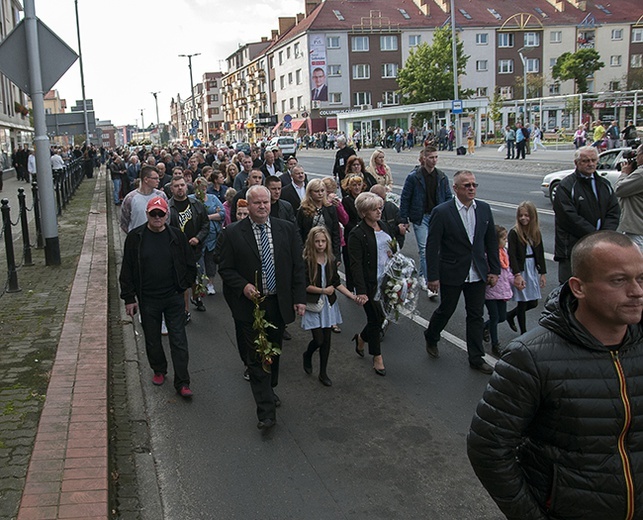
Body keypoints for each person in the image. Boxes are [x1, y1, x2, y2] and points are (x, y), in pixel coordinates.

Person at [467, 231, 643, 520]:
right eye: (618, 280)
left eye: (641, 278)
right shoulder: (530, 357)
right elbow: (488, 448)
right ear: (578, 287)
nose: (636, 291)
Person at [217, 185, 306, 431]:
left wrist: (299, 298)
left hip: (278, 302)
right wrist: (243, 286)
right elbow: (225, 269)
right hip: (250, 306)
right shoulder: (233, 233)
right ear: (247, 204)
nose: (263, 207)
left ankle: (270, 387)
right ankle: (266, 411)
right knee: (257, 357)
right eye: (257, 203)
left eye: (266, 202)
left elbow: (298, 266)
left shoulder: (286, 229)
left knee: (274, 351)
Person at [424, 171, 500, 374]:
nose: (471, 188)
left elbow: (491, 241)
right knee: (446, 309)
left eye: (474, 185)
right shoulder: (442, 212)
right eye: (466, 185)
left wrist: (494, 269)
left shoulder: (483, 209)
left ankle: (476, 358)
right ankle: (431, 335)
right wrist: (432, 276)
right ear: (455, 188)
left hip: (477, 272)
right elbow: (432, 246)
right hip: (452, 271)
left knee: (475, 315)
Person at [119, 196, 196, 397]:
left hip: (173, 296)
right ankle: (159, 369)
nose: (156, 217)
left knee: (179, 339)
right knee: (152, 339)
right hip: (148, 299)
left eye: (160, 214)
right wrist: (129, 298)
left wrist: (185, 285)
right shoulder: (135, 238)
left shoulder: (176, 236)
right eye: (153, 213)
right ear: (147, 214)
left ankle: (183, 382)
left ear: (166, 215)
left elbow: (189, 263)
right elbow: (126, 270)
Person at [553, 146, 621, 283]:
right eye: (585, 161)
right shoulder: (566, 186)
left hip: (600, 246)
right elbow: (568, 217)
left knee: (597, 286)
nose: (590, 164)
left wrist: (604, 235)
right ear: (576, 163)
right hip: (572, 248)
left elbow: (614, 211)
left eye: (593, 160)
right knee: (571, 289)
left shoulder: (604, 184)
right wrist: (594, 235)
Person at [301, 226, 356, 386]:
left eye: (323, 241)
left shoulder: (330, 260)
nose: (320, 244)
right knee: (318, 340)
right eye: (317, 241)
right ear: (311, 243)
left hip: (328, 305)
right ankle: (308, 354)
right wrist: (323, 290)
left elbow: (336, 283)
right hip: (314, 303)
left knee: (327, 340)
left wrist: (351, 296)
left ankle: (323, 372)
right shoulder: (307, 262)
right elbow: (304, 285)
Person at [348, 192, 395, 377]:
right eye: (374, 209)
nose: (379, 212)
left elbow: (392, 246)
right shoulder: (357, 234)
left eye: (380, 208)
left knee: (381, 317)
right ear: (364, 212)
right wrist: (361, 291)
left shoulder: (384, 226)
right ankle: (377, 357)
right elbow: (355, 264)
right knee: (375, 320)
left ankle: (361, 338)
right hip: (369, 284)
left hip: (386, 281)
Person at [399, 146, 452, 296]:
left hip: (437, 217)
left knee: (434, 248)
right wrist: (404, 219)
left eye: (436, 157)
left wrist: (449, 215)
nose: (434, 160)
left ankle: (423, 275)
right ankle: (430, 282)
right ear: (424, 159)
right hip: (420, 217)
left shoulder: (441, 176)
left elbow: (448, 197)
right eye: (431, 157)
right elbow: (405, 198)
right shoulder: (414, 176)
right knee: (425, 249)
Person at [167, 175, 210, 316]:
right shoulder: (168, 207)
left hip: (195, 249)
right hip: (177, 251)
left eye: (182, 185)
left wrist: (198, 238)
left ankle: (196, 298)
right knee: (182, 281)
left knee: (197, 277)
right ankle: (185, 311)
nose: (180, 188)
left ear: (186, 186)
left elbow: (205, 224)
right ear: (171, 189)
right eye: (176, 186)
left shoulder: (196, 204)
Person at [506, 202, 547, 335]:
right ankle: (523, 333)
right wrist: (517, 273)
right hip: (521, 269)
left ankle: (510, 315)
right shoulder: (514, 232)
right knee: (523, 302)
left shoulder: (535, 232)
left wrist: (543, 273)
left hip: (532, 268)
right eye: (521, 215)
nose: (523, 218)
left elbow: (540, 253)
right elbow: (511, 254)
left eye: (527, 215)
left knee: (533, 302)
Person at [483, 226, 513, 357]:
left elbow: (508, 271)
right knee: (495, 317)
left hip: (502, 290)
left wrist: (515, 281)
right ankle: (495, 344)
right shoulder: (488, 254)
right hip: (491, 290)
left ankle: (484, 327)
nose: (506, 241)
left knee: (502, 316)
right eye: (504, 238)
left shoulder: (504, 253)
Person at [192, 176, 225, 296]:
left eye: (205, 188)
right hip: (198, 236)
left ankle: (210, 284)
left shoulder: (213, 198)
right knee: (198, 262)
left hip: (212, 236)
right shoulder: (191, 200)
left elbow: (222, 213)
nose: (202, 190)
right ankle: (199, 284)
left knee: (211, 261)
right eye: (200, 188)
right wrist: (213, 214)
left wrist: (208, 217)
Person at [296, 179, 341, 260]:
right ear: (310, 192)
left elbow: (336, 232)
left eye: (322, 191)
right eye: (317, 191)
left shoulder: (330, 208)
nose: (320, 194)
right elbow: (298, 232)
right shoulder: (303, 210)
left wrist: (337, 255)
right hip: (309, 250)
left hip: (327, 249)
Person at [120, 165, 168, 233]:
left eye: (158, 178)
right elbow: (124, 221)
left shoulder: (161, 196)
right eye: (155, 178)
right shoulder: (130, 198)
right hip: (138, 239)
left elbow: (167, 217)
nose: (158, 181)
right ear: (146, 179)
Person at [615, 144, 643, 250]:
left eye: (637, 154)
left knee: (635, 264)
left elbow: (619, 190)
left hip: (637, 230)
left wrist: (624, 173)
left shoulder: (640, 174)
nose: (636, 158)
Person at [340, 174, 364, 291]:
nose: (357, 188)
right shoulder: (347, 200)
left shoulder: (364, 198)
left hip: (364, 232)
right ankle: (350, 287)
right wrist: (356, 228)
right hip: (351, 233)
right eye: (354, 185)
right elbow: (346, 220)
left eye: (359, 185)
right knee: (350, 262)